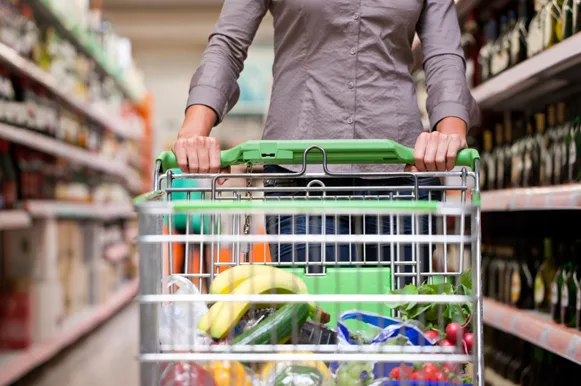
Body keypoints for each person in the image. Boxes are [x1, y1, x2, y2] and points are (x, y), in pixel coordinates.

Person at [173, 0, 479, 278]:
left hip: (401, 175)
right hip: (301, 176)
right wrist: (193, 132)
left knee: (399, 321)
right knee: (314, 323)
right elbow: (228, 45)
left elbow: (444, 56)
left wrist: (450, 133)